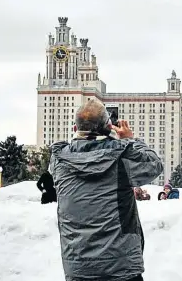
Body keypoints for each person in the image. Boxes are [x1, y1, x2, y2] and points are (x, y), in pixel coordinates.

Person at [50, 100, 163, 281]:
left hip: (78, 267)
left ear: (74, 129)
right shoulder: (121, 157)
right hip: (121, 267)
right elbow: (153, 165)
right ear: (109, 127)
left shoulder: (59, 161)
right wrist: (129, 140)